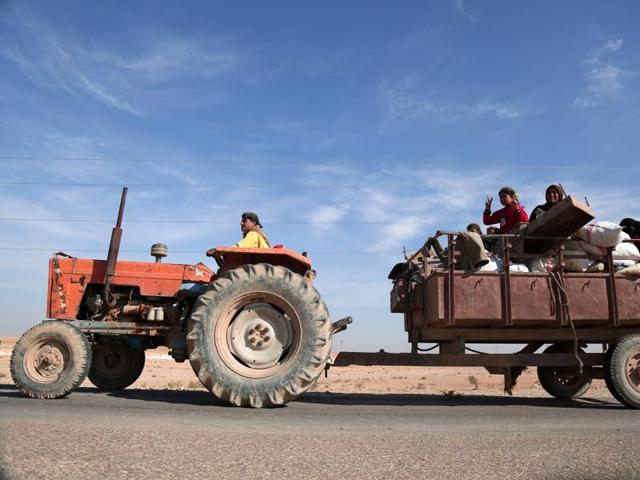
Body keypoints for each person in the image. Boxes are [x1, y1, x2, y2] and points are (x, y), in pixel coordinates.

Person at [206, 212, 270, 258]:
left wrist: (219, 251)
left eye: (244, 221)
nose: (241, 223)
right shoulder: (258, 235)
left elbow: (239, 247)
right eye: (241, 221)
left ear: (253, 223)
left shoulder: (253, 234)